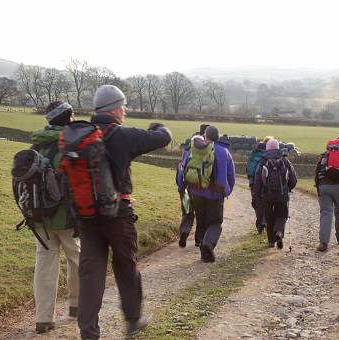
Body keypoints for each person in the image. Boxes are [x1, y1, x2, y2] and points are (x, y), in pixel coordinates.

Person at [77, 85, 172, 339]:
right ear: (116, 108)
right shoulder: (121, 135)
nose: (126, 111)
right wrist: (158, 126)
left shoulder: (81, 134)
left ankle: (88, 333)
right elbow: (164, 138)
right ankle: (133, 321)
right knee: (125, 266)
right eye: (124, 106)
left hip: (86, 216)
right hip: (118, 215)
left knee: (90, 274)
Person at [30, 101, 80, 334]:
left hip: (40, 216)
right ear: (69, 116)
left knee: (44, 265)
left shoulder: (36, 145)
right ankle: (77, 306)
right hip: (69, 218)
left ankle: (42, 318)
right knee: (77, 259)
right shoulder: (72, 143)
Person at [177, 125, 235, 262]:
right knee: (215, 222)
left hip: (195, 192)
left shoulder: (194, 148)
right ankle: (207, 245)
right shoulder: (224, 152)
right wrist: (227, 191)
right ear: (218, 136)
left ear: (205, 136)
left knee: (201, 220)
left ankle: (202, 245)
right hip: (215, 194)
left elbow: (182, 169)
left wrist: (182, 187)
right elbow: (231, 176)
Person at [253, 138, 297, 248]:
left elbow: (257, 181)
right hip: (282, 195)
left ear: (267, 148)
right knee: (282, 215)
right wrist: (288, 188)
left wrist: (257, 195)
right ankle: (279, 232)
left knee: (269, 217)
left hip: (266, 195)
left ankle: (271, 241)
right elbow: (293, 180)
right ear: (278, 148)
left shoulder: (263, 161)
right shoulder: (285, 161)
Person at [177, 124, 209, 248]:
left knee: (187, 213)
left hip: (186, 188)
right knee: (201, 215)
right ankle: (199, 240)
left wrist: (181, 187)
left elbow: (181, 170)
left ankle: (184, 232)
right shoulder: (206, 151)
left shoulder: (187, 151)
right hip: (200, 189)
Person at [246, 137, 271, 233]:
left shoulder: (254, 153)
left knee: (257, 202)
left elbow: (248, 168)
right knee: (266, 202)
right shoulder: (267, 155)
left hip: (253, 182)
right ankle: (264, 221)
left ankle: (259, 224)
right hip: (264, 182)